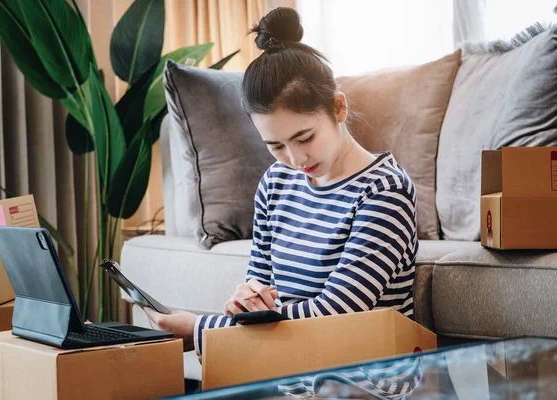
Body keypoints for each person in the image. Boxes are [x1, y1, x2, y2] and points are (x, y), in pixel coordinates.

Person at [144, 7, 419, 362]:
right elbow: (262, 285)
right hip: (293, 368)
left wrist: (201, 328)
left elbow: (338, 313)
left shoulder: (385, 192)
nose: (296, 159)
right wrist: (246, 304)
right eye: (276, 146)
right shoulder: (276, 183)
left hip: (367, 378)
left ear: (338, 108)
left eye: (304, 137)